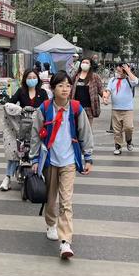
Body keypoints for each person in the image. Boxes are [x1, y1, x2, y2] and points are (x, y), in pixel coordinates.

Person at [30, 71, 94, 259]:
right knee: (51, 199)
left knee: (66, 201)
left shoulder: (76, 108)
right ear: (53, 88)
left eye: (68, 85)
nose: (65, 89)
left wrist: (88, 157)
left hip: (69, 162)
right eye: (60, 85)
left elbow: (85, 133)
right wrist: (34, 159)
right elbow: (35, 134)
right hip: (50, 160)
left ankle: (65, 241)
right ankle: (51, 223)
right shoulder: (45, 108)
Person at [0, 70, 48, 191]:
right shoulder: (21, 91)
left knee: (42, 150)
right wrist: (19, 110)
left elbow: (47, 107)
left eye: (34, 77)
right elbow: (9, 104)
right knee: (15, 151)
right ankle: (7, 177)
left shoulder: (42, 93)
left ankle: (42, 175)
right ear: (25, 79)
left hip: (37, 127)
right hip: (22, 127)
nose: (32, 79)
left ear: (37, 79)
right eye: (29, 77)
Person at [103, 63, 139, 155]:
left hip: (127, 109)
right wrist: (105, 97)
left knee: (128, 127)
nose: (118, 73)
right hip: (115, 108)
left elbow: (135, 81)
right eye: (117, 70)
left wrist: (128, 71)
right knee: (117, 130)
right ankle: (118, 146)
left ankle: (129, 140)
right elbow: (108, 90)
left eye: (120, 71)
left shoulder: (129, 79)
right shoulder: (113, 80)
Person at [70, 57, 104, 126]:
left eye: (87, 63)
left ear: (90, 65)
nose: (84, 64)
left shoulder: (95, 76)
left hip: (89, 108)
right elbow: (70, 90)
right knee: (77, 129)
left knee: (87, 130)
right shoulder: (76, 76)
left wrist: (105, 97)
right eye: (83, 62)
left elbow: (101, 90)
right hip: (76, 107)